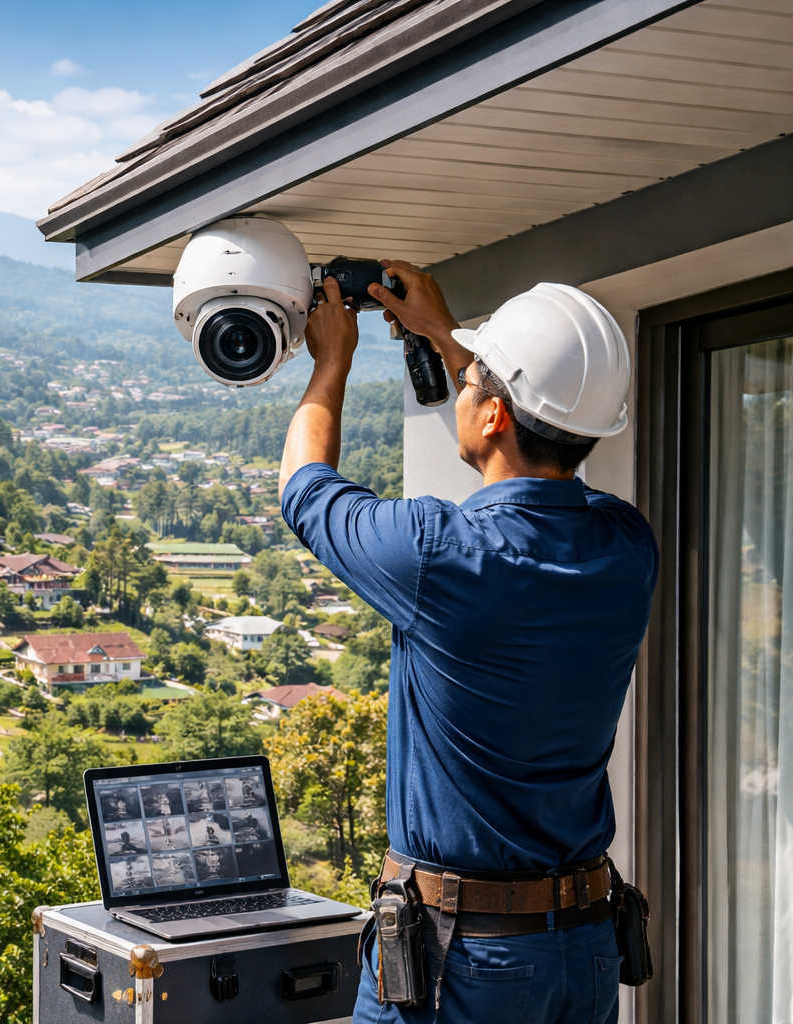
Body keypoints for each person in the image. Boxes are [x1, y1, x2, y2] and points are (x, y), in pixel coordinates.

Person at [279, 268, 659, 1024]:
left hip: (463, 962)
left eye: (474, 380)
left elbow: (305, 488)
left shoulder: (436, 553)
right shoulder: (626, 546)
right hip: (584, 948)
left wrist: (332, 356)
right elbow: (544, 441)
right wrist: (452, 341)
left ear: (493, 415)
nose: (463, 385)